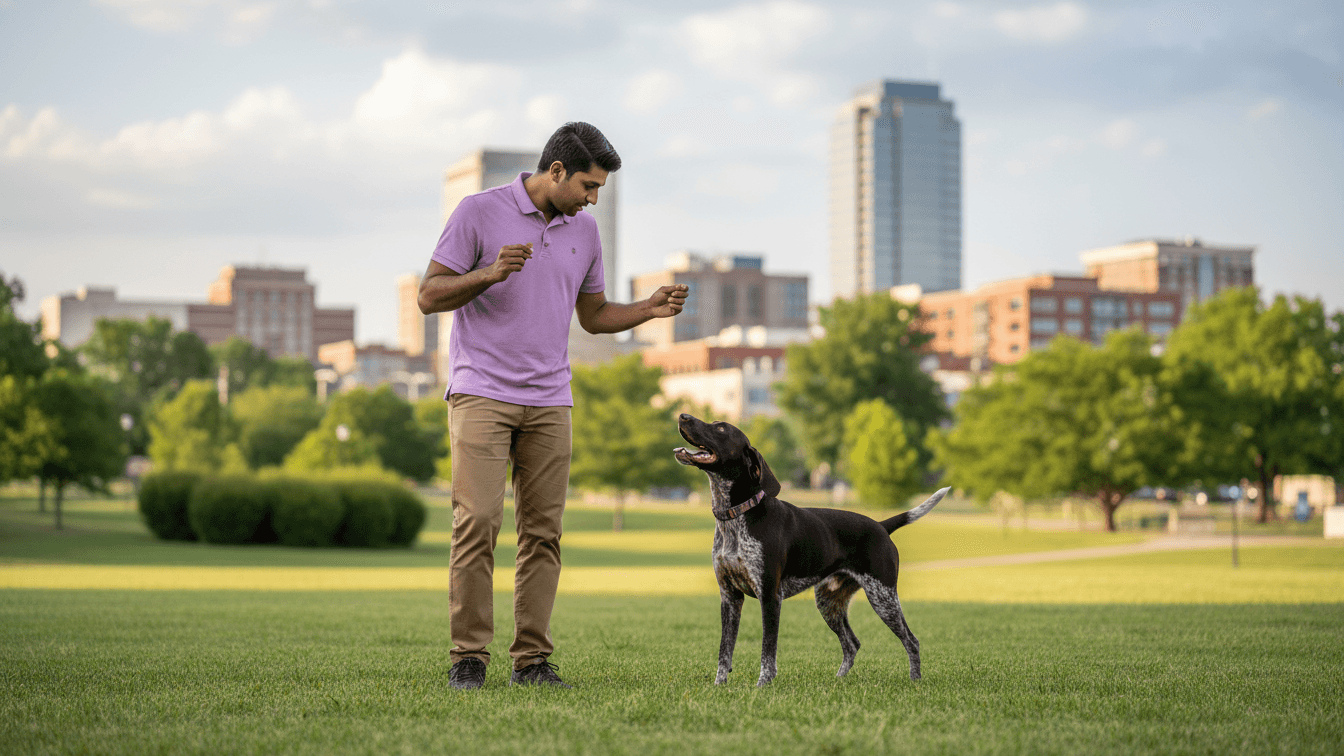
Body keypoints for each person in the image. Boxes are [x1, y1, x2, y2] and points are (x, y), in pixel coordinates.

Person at [418, 122, 688, 689]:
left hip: (550, 399)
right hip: (481, 392)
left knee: (543, 533)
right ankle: (468, 657)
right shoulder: (477, 212)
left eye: (600, 191)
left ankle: (532, 662)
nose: (593, 199)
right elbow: (428, 295)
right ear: (556, 170)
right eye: (589, 186)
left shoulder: (584, 232)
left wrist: (647, 308)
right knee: (479, 522)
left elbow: (592, 316)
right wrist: (490, 272)